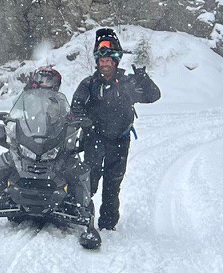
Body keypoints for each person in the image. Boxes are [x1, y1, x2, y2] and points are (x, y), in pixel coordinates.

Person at [68, 28, 159, 231]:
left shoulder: (127, 83)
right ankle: (81, 216)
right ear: (97, 62)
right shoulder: (89, 84)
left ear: (115, 61)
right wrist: (84, 120)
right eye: (101, 61)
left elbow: (153, 96)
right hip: (94, 139)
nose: (105, 64)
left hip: (119, 141)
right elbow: (76, 106)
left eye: (108, 60)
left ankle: (108, 225)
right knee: (88, 181)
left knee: (112, 185)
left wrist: (144, 80)